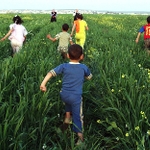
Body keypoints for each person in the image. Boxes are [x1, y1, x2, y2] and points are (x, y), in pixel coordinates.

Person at [40, 44, 92, 145]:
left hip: (64, 94)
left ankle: (66, 122)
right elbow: (89, 77)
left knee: (68, 106)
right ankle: (80, 139)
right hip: (76, 97)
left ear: (68, 55)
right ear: (82, 56)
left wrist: (43, 84)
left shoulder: (64, 66)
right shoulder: (83, 67)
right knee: (78, 117)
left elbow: (51, 73)